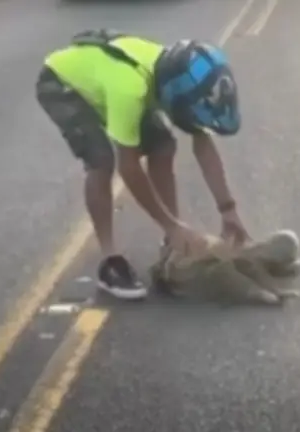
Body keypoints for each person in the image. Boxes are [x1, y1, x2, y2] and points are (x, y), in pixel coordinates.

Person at [36, 29, 249, 300]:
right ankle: (111, 262)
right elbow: (130, 168)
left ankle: (173, 242)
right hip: (62, 83)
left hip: (111, 74)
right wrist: (172, 225)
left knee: (163, 146)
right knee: (101, 160)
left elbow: (203, 144)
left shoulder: (176, 73)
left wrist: (228, 210)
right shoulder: (130, 92)